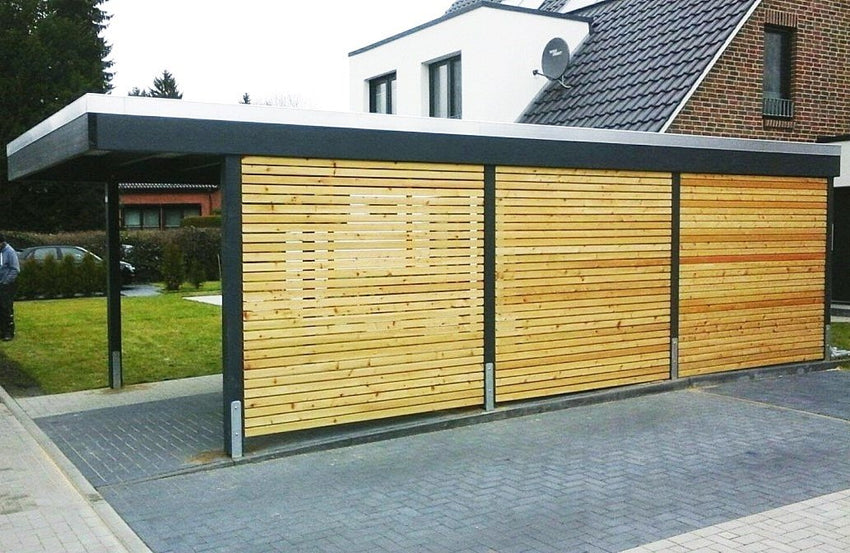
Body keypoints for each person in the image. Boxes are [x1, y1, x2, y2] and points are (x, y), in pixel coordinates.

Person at [0, 234, 20, 341]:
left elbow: (15, 269)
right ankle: (2, 331)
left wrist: (5, 282)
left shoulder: (10, 252)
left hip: (7, 286)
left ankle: (8, 332)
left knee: (6, 308)